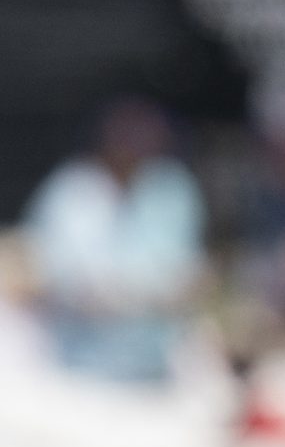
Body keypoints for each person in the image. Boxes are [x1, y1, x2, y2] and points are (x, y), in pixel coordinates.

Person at [21, 97, 207, 386]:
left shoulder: (171, 189)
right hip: (79, 370)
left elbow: (184, 277)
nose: (135, 144)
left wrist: (125, 291)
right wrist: (139, 291)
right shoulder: (71, 190)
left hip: (155, 369)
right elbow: (57, 278)